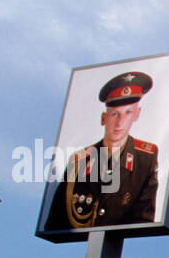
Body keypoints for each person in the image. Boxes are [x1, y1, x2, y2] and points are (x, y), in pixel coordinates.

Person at [43, 70, 159, 231]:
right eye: (114, 114)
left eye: (128, 113)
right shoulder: (79, 160)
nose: (120, 122)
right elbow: (56, 223)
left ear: (136, 115)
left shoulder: (145, 158)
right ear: (104, 118)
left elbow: (143, 222)